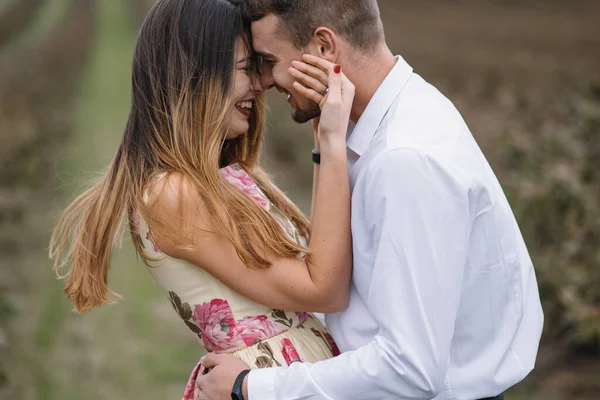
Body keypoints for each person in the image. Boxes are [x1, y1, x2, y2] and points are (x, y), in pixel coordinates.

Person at [194, 1, 545, 399]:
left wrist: (251, 387)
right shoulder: (400, 116)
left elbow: (408, 367)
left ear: (324, 48)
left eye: (269, 60)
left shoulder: (405, 160)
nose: (266, 81)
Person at [48, 0, 356, 398]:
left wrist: (321, 141)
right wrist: (331, 141)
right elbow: (324, 289)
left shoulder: (219, 179)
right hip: (258, 383)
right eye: (246, 68)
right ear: (195, 77)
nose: (260, 84)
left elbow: (318, 262)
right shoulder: (173, 195)